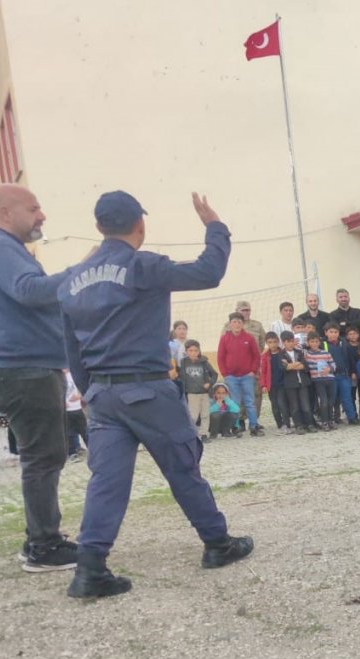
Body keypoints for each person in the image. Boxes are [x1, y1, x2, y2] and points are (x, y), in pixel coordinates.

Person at [59, 190, 253, 598]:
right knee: (183, 466)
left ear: (98, 227)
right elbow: (208, 272)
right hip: (146, 388)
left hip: (104, 396)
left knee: (106, 481)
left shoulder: (72, 279)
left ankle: (90, 567)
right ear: (140, 225)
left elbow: (72, 348)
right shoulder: (143, 265)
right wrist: (215, 226)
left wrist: (90, 390)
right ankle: (217, 543)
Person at [0, 183, 77, 571]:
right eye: (34, 208)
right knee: (43, 457)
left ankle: (40, 538)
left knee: (43, 455)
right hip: (23, 369)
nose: (42, 214)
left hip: (19, 367)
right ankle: (44, 547)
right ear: (6, 213)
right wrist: (80, 271)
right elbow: (29, 291)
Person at [217, 311, 262, 435]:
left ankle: (254, 426)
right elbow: (220, 357)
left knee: (250, 402)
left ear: (243, 324)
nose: (237, 324)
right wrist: (225, 373)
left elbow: (256, 356)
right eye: (234, 322)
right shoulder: (225, 338)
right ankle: (235, 427)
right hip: (231, 377)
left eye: (239, 322)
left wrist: (253, 371)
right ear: (230, 324)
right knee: (235, 403)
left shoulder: (249, 338)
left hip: (247, 376)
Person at [178, 339, 218, 437]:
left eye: (196, 350)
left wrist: (209, 383)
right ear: (186, 352)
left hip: (204, 392)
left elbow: (214, 374)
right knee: (193, 415)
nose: (193, 353)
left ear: (199, 351)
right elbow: (180, 377)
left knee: (205, 414)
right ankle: (192, 433)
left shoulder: (204, 362)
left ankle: (204, 433)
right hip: (192, 393)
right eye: (190, 351)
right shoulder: (183, 363)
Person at [276, 332, 314, 433]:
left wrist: (291, 365)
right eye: (288, 342)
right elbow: (284, 368)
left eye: (292, 341)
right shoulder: (281, 355)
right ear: (283, 342)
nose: (291, 344)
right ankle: (299, 425)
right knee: (294, 406)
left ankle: (309, 424)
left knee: (306, 404)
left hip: (303, 382)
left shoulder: (299, 352)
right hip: (290, 384)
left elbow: (305, 366)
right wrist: (296, 364)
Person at [324, 324, 359, 425]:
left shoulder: (343, 343)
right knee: (332, 398)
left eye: (336, 332)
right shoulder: (323, 344)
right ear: (326, 333)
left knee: (347, 398)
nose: (334, 334)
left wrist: (353, 372)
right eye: (331, 332)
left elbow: (350, 358)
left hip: (344, 375)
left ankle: (352, 418)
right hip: (331, 376)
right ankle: (330, 419)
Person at [303, 331, 337, 430]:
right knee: (324, 401)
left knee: (331, 401)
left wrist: (329, 369)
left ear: (319, 342)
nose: (314, 344)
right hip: (318, 381)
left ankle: (331, 420)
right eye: (312, 342)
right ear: (308, 342)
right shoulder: (307, 355)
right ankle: (324, 421)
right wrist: (305, 344)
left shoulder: (326, 353)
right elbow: (299, 348)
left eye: (316, 341)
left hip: (330, 379)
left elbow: (334, 364)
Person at [260, 331, 288, 430]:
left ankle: (286, 423)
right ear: (267, 343)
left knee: (282, 403)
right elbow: (263, 372)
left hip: (282, 384)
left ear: (278, 342)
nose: (273, 344)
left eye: (275, 342)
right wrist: (263, 385)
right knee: (275, 405)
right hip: (271, 385)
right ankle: (279, 423)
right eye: (270, 342)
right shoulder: (265, 356)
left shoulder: (283, 353)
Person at [64, 372, 88, 462]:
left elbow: (81, 386)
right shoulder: (58, 376)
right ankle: (72, 453)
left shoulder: (73, 374)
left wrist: (80, 396)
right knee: (69, 432)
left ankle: (93, 450)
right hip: (66, 410)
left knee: (84, 430)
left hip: (77, 407)